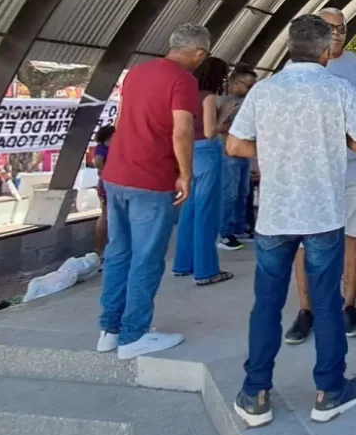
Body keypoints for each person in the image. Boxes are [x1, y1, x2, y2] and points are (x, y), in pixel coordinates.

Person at [227, 15, 356, 428]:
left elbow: (236, 145)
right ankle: (329, 390)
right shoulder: (338, 88)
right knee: (327, 302)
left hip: (275, 215)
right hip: (323, 213)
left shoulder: (264, 90)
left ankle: (255, 393)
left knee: (267, 304)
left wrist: (276, 146)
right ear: (327, 50)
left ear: (290, 47)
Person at [98, 23, 207, 360]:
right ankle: (134, 335)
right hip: (151, 178)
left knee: (119, 253)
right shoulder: (183, 81)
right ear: (199, 53)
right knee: (146, 258)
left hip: (116, 174)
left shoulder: (137, 73)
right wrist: (186, 174)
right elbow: (182, 130)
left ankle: (109, 330)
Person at [286, 7, 356, 344]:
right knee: (306, 238)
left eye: (342, 28)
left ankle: (348, 306)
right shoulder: (294, 67)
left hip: (355, 167)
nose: (338, 33)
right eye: (331, 28)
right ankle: (306, 309)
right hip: (311, 170)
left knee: (354, 236)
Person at [173, 56, 234, 287]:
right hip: (207, 153)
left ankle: (182, 263)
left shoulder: (185, 94)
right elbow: (210, 131)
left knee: (189, 209)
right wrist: (225, 113)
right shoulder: (207, 96)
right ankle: (206, 269)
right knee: (207, 213)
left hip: (188, 153)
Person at [217, 66, 257, 251]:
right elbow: (215, 127)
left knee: (243, 192)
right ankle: (224, 232)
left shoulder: (248, 102)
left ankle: (241, 227)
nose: (249, 90)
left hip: (243, 153)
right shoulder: (222, 102)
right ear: (234, 83)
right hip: (227, 153)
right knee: (229, 194)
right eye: (246, 85)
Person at [92, 125, 115, 258]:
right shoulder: (102, 148)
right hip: (106, 184)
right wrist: (109, 172)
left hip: (108, 183)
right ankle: (99, 248)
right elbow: (98, 162)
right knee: (105, 216)